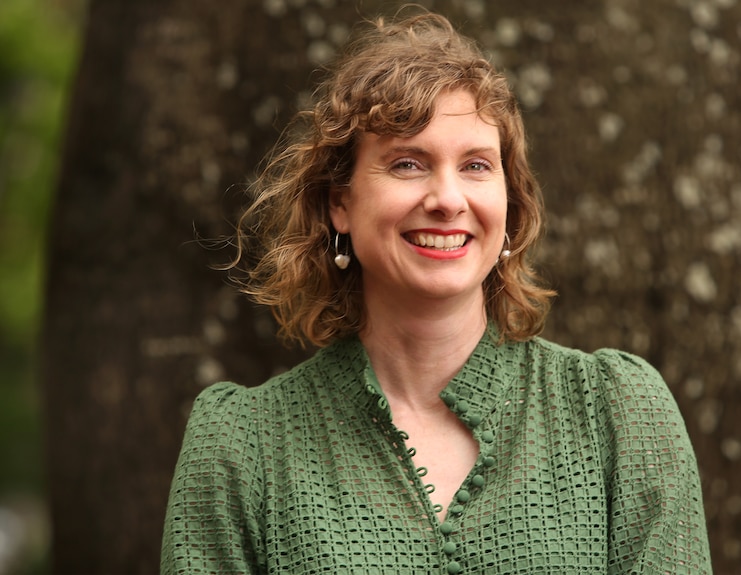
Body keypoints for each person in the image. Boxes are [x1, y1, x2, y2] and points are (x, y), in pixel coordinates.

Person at [161, 10, 712, 575]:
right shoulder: (240, 446)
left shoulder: (617, 413)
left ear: (509, 203)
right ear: (339, 203)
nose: (448, 198)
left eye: (476, 165)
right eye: (407, 163)